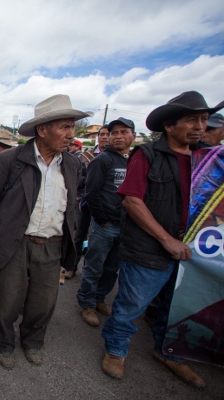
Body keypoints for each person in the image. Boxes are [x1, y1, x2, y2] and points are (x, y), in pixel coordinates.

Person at [101, 91, 224, 388]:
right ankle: (116, 350)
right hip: (149, 250)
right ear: (169, 126)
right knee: (132, 305)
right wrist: (167, 239)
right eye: (192, 120)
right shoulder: (148, 155)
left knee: (176, 308)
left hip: (195, 253)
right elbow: (132, 201)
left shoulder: (207, 160)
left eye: (204, 120)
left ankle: (168, 352)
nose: (199, 126)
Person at [0, 94, 89, 369]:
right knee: (8, 301)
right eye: (64, 127)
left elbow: (75, 201)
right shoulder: (11, 159)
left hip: (53, 245)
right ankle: (4, 344)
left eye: (72, 127)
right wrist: (9, 222)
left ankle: (33, 341)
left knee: (44, 301)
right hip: (17, 243)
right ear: (43, 130)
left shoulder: (73, 164)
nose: (70, 134)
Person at [76, 117, 135, 326]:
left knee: (112, 268)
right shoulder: (102, 161)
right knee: (94, 266)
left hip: (125, 227)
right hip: (104, 226)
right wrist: (103, 220)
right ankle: (87, 303)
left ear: (133, 136)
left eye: (123, 132)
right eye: (114, 133)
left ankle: (99, 299)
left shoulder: (133, 162)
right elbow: (91, 194)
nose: (118, 136)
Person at [66, 125, 109, 279]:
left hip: (106, 206)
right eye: (102, 134)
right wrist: (92, 180)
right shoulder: (85, 157)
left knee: (98, 241)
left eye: (107, 134)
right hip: (83, 202)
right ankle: (71, 266)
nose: (104, 137)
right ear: (98, 137)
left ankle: (92, 274)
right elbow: (75, 178)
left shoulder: (117, 158)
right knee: (78, 235)